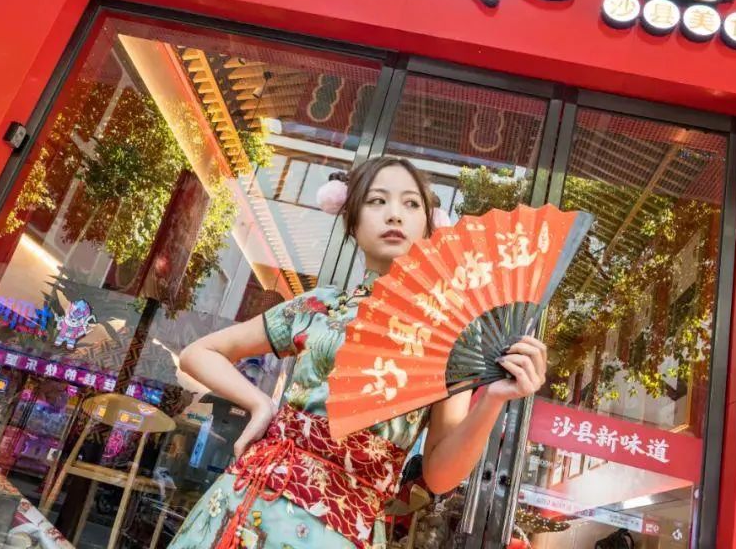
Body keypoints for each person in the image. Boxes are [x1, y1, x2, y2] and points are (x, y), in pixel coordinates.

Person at [171, 156, 548, 549]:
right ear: (351, 221)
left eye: (411, 204)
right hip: (251, 500)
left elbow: (439, 476)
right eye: (377, 200)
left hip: (345, 532)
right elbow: (200, 352)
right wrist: (260, 404)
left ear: (429, 227)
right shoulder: (320, 306)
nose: (394, 214)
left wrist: (492, 401)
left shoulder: (451, 336)